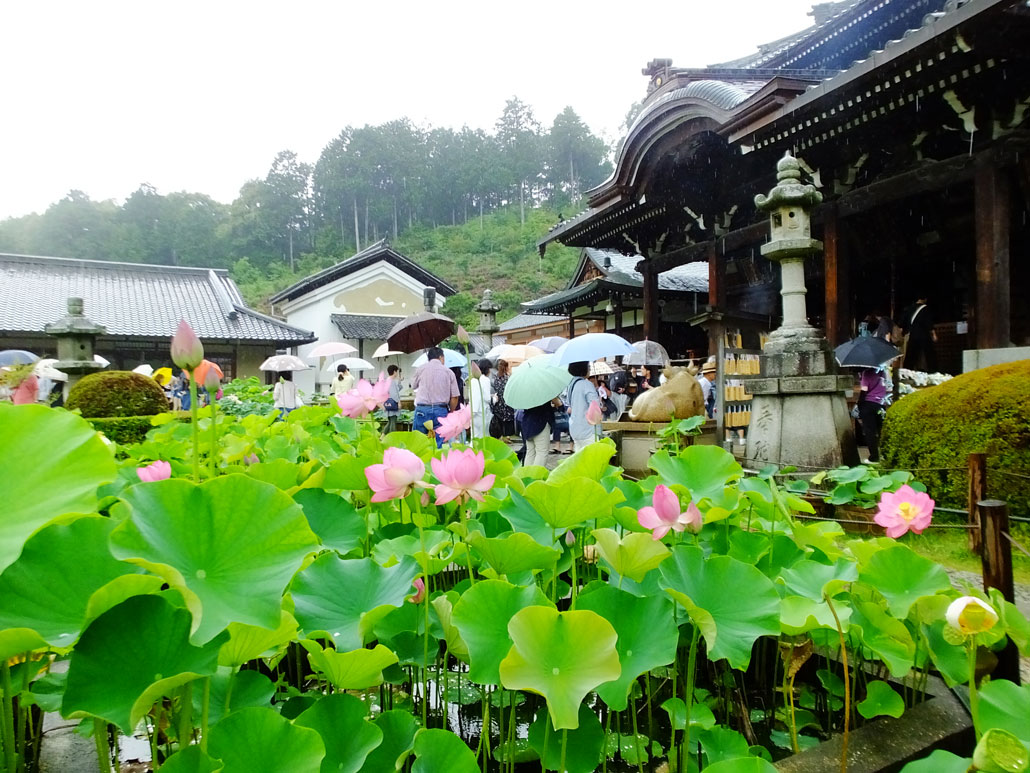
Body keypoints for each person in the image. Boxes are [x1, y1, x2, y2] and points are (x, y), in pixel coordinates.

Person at [413, 346, 459, 448]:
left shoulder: (420, 369)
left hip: (422, 410)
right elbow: (455, 396)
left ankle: (421, 462)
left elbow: (413, 386)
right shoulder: (449, 372)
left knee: (419, 443)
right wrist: (450, 412)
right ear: (441, 357)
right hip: (441, 410)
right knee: (439, 443)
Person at [567, 361, 601, 452]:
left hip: (575, 428)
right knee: (592, 459)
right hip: (588, 429)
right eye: (588, 366)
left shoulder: (571, 384)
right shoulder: (587, 384)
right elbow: (595, 406)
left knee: (580, 459)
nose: (589, 369)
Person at [857, 366, 888, 463]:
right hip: (881, 404)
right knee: (881, 430)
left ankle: (874, 456)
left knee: (870, 431)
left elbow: (864, 390)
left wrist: (859, 404)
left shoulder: (866, 373)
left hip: (868, 405)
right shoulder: (882, 372)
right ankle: (885, 454)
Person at [901, 296, 937, 372]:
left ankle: (906, 371)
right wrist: (934, 334)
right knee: (929, 353)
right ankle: (932, 370)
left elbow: (903, 322)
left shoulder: (909, 309)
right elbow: (929, 322)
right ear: (924, 299)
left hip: (912, 334)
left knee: (910, 355)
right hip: (924, 334)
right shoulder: (925, 308)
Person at [521, 398, 559, 467]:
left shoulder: (524, 390)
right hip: (541, 422)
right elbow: (556, 400)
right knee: (542, 452)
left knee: (530, 452)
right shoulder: (543, 389)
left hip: (527, 422)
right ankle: (536, 476)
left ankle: (527, 476)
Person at [491, 359, 516, 439]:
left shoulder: (502, 378)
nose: (500, 367)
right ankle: (504, 436)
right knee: (503, 421)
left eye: (501, 365)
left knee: (503, 421)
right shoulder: (499, 377)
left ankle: (504, 436)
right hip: (502, 403)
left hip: (502, 403)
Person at [470, 358, 493, 440]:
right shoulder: (486, 380)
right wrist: (494, 398)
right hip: (482, 411)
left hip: (473, 411)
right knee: (483, 436)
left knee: (474, 436)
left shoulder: (472, 380)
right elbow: (487, 398)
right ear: (487, 369)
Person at [384, 365, 402, 434]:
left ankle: (382, 437)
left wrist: (399, 381)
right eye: (396, 371)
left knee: (390, 421)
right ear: (394, 371)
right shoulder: (391, 381)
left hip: (388, 403)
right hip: (393, 403)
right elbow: (394, 393)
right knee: (393, 421)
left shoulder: (388, 380)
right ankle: (392, 437)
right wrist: (398, 402)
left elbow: (397, 389)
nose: (397, 373)